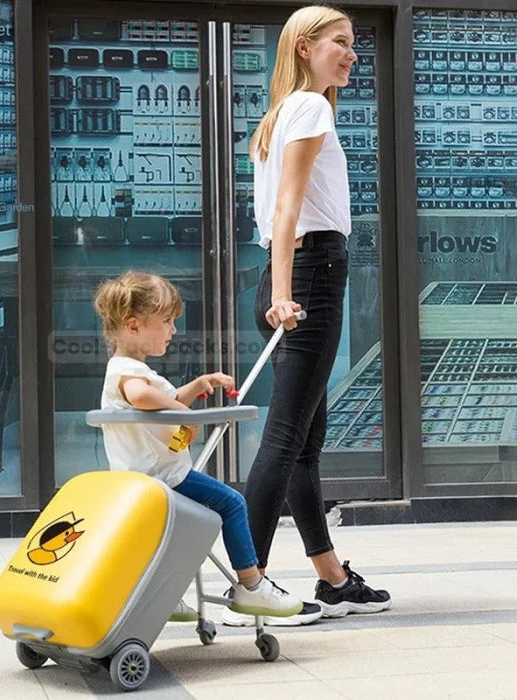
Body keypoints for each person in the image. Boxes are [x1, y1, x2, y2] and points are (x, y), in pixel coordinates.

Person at [222, 5, 391, 627]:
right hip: (308, 278)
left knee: (304, 444)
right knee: (287, 439)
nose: (352, 54)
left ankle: (331, 577)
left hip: (288, 275)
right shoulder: (311, 108)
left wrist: (275, 289)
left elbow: (278, 215)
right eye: (339, 43)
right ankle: (251, 581)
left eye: (353, 44)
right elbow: (289, 211)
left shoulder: (279, 116)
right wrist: (285, 297)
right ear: (302, 48)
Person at [94, 271, 312, 623]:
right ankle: (251, 585)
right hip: (162, 477)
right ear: (133, 327)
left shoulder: (130, 368)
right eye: (166, 322)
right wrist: (183, 413)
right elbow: (140, 397)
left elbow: (159, 400)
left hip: (149, 476)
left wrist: (197, 386)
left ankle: (159, 595)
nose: (173, 330)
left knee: (179, 530)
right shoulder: (126, 372)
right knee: (231, 503)